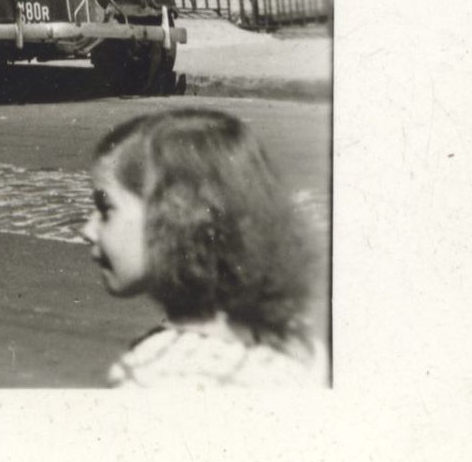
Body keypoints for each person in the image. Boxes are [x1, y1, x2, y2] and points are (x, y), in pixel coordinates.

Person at [84, 106, 327, 386]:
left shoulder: (155, 376)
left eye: (105, 210)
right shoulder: (301, 345)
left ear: (176, 217)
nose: (88, 230)